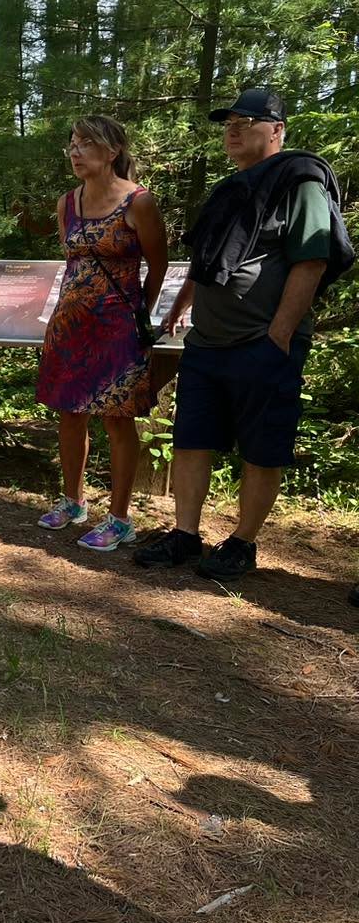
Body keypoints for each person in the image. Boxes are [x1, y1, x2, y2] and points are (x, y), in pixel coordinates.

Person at [135, 89, 353, 580]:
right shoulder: (231, 188)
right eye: (229, 121)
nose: (233, 128)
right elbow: (206, 259)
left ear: (276, 130)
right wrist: (178, 308)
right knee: (192, 439)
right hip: (207, 344)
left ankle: (242, 542)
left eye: (248, 120)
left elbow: (313, 258)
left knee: (262, 446)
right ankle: (186, 536)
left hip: (262, 344)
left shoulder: (300, 182)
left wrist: (279, 333)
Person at [34, 116, 168, 551]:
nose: (75, 152)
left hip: (118, 328)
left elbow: (158, 265)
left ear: (112, 151)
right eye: (71, 144)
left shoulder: (138, 202)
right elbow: (74, 262)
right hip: (70, 325)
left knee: (117, 418)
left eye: (85, 144)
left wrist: (136, 313)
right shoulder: (67, 203)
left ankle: (120, 517)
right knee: (70, 413)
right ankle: (73, 501)